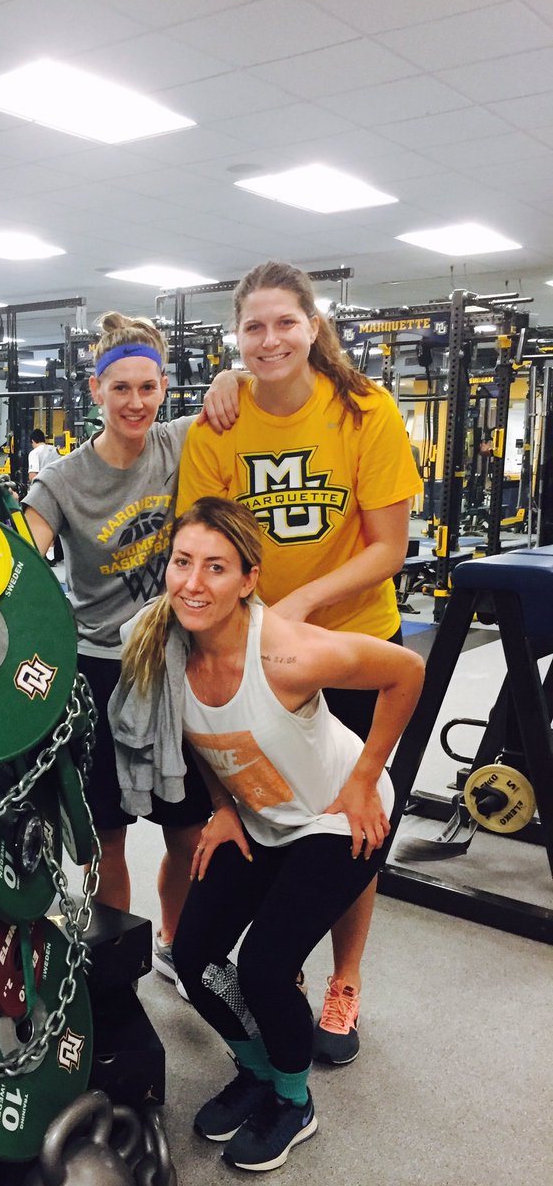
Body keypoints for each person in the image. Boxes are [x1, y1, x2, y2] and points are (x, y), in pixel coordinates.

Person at [110, 497, 424, 1172]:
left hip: (337, 819)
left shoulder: (286, 652)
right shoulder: (168, 649)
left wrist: (367, 775)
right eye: (182, 563)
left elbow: (407, 672)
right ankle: (255, 1070)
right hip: (260, 818)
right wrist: (222, 805)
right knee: (193, 957)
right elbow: (202, 740)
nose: (193, 583)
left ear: (249, 579)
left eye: (216, 568)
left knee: (263, 968)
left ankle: (293, 1098)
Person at [177, 260, 422, 1064]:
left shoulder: (365, 410)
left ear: (313, 326)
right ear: (237, 337)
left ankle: (344, 980)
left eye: (286, 322)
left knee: (352, 817)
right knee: (268, 804)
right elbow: (203, 537)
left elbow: (390, 545)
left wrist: (306, 603)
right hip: (255, 651)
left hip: (347, 638)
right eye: (253, 327)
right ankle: (278, 966)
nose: (271, 338)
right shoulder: (221, 421)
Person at [23, 312, 213, 992]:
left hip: (174, 665)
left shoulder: (180, 441)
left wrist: (228, 382)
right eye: (122, 388)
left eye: (149, 387)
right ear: (95, 390)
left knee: (187, 830)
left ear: (165, 389)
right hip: (98, 670)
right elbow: (18, 560)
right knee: (107, 835)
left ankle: (178, 949)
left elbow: (262, 383)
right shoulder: (64, 481)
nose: (136, 402)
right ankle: (117, 965)